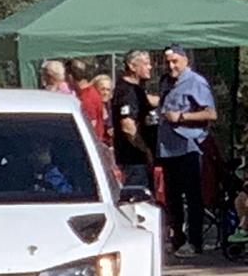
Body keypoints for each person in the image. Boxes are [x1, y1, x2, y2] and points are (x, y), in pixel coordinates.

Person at [156, 44, 217, 255]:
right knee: (172, 198)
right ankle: (177, 239)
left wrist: (182, 117)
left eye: (175, 62)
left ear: (185, 61)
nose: (171, 66)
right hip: (168, 148)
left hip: (189, 147)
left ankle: (195, 241)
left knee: (192, 197)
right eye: (168, 62)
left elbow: (210, 113)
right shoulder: (166, 82)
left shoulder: (196, 82)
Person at [109, 50, 156, 193]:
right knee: (137, 198)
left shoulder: (137, 89)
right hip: (133, 160)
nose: (150, 67)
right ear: (132, 66)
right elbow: (127, 126)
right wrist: (145, 149)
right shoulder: (126, 91)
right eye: (146, 64)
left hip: (140, 160)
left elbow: (148, 102)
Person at [79, 71, 110, 145]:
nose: (105, 93)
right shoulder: (90, 102)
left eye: (108, 89)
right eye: (102, 89)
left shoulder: (111, 107)